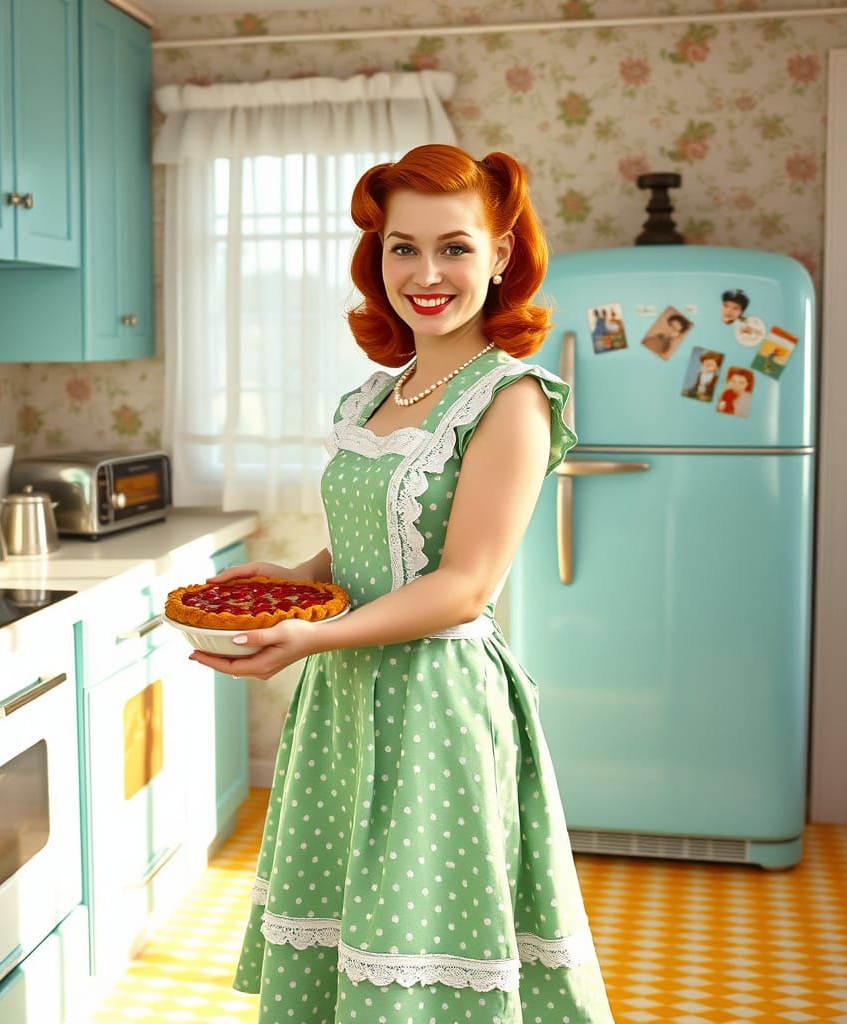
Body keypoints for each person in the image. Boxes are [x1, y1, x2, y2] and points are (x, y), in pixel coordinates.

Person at [189, 143, 616, 1023]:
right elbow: (371, 551)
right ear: (377, 257)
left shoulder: (513, 398)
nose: (426, 273)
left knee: (422, 941)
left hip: (432, 705)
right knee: (353, 928)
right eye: (402, 247)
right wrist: (296, 581)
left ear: (500, 256)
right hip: (343, 701)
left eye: (455, 247)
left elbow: (463, 584)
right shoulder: (375, 398)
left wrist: (311, 638)